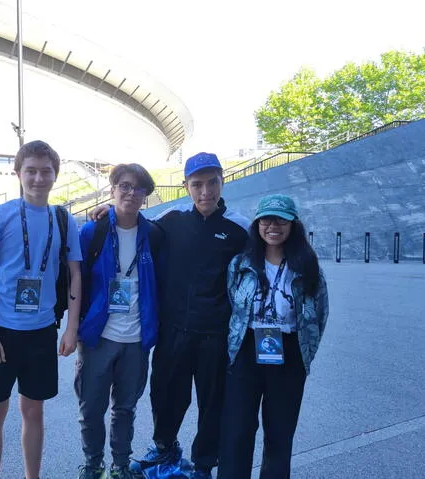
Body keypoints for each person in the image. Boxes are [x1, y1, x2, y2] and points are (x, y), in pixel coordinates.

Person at [91, 152, 249, 479]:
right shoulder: (172, 219)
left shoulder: (239, 228)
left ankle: (204, 463)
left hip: (215, 334)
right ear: (186, 186)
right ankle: (164, 448)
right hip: (173, 330)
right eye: (197, 185)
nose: (205, 191)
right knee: (165, 394)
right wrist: (109, 210)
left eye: (212, 183)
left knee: (212, 401)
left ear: (222, 181)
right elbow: (133, 220)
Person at [0, 140, 82, 479]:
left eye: (46, 171)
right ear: (18, 174)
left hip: (41, 332)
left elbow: (75, 274)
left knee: (33, 412)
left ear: (55, 175)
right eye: (30, 171)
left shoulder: (63, 220)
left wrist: (71, 328)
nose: (38, 178)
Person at [218, 194, 329, 479]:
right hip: (246, 351)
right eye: (266, 219)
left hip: (289, 355)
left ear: (293, 224)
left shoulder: (307, 266)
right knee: (237, 430)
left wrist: (304, 352)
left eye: (281, 219)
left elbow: (319, 314)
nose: (273, 226)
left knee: (280, 433)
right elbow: (232, 305)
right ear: (257, 224)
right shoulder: (241, 264)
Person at [76, 164, 160, 479]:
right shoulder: (92, 232)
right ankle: (93, 463)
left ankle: (120, 465)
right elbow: (76, 282)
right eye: (124, 186)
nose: (130, 193)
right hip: (99, 337)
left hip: (137, 340)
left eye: (138, 188)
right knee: (91, 410)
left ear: (145, 196)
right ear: (112, 191)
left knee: (125, 409)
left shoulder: (154, 234)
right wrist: (76, 329)